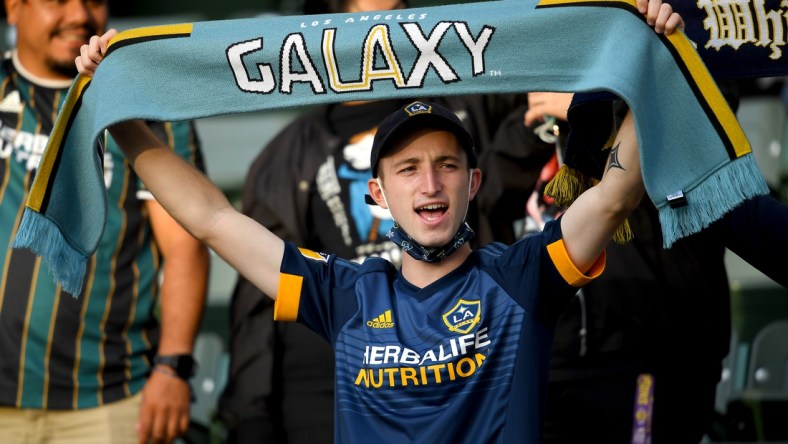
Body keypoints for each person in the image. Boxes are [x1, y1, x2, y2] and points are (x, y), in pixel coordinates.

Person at [76, 3, 683, 442]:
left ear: (473, 184)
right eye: (408, 168)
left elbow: (614, 195)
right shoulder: (343, 292)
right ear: (378, 194)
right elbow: (210, 219)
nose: (429, 183)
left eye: (448, 165)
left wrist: (651, 61)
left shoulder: (524, 276)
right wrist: (121, 114)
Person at [217, 1, 536, 442]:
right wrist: (250, 413)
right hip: (321, 386)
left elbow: (501, 191)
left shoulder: (461, 108)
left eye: (403, 12)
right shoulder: (286, 153)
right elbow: (257, 294)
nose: (392, 23)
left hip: (454, 362)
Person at [482, 90, 788, 442]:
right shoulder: (522, 111)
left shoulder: (670, 73)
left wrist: (595, 109)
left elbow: (703, 115)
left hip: (660, 346)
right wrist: (532, 127)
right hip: (552, 359)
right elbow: (484, 204)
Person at [0, 1, 209, 443]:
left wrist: (173, 367)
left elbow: (185, 244)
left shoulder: (146, 103)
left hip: (111, 400)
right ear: (14, 8)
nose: (79, 14)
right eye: (58, 0)